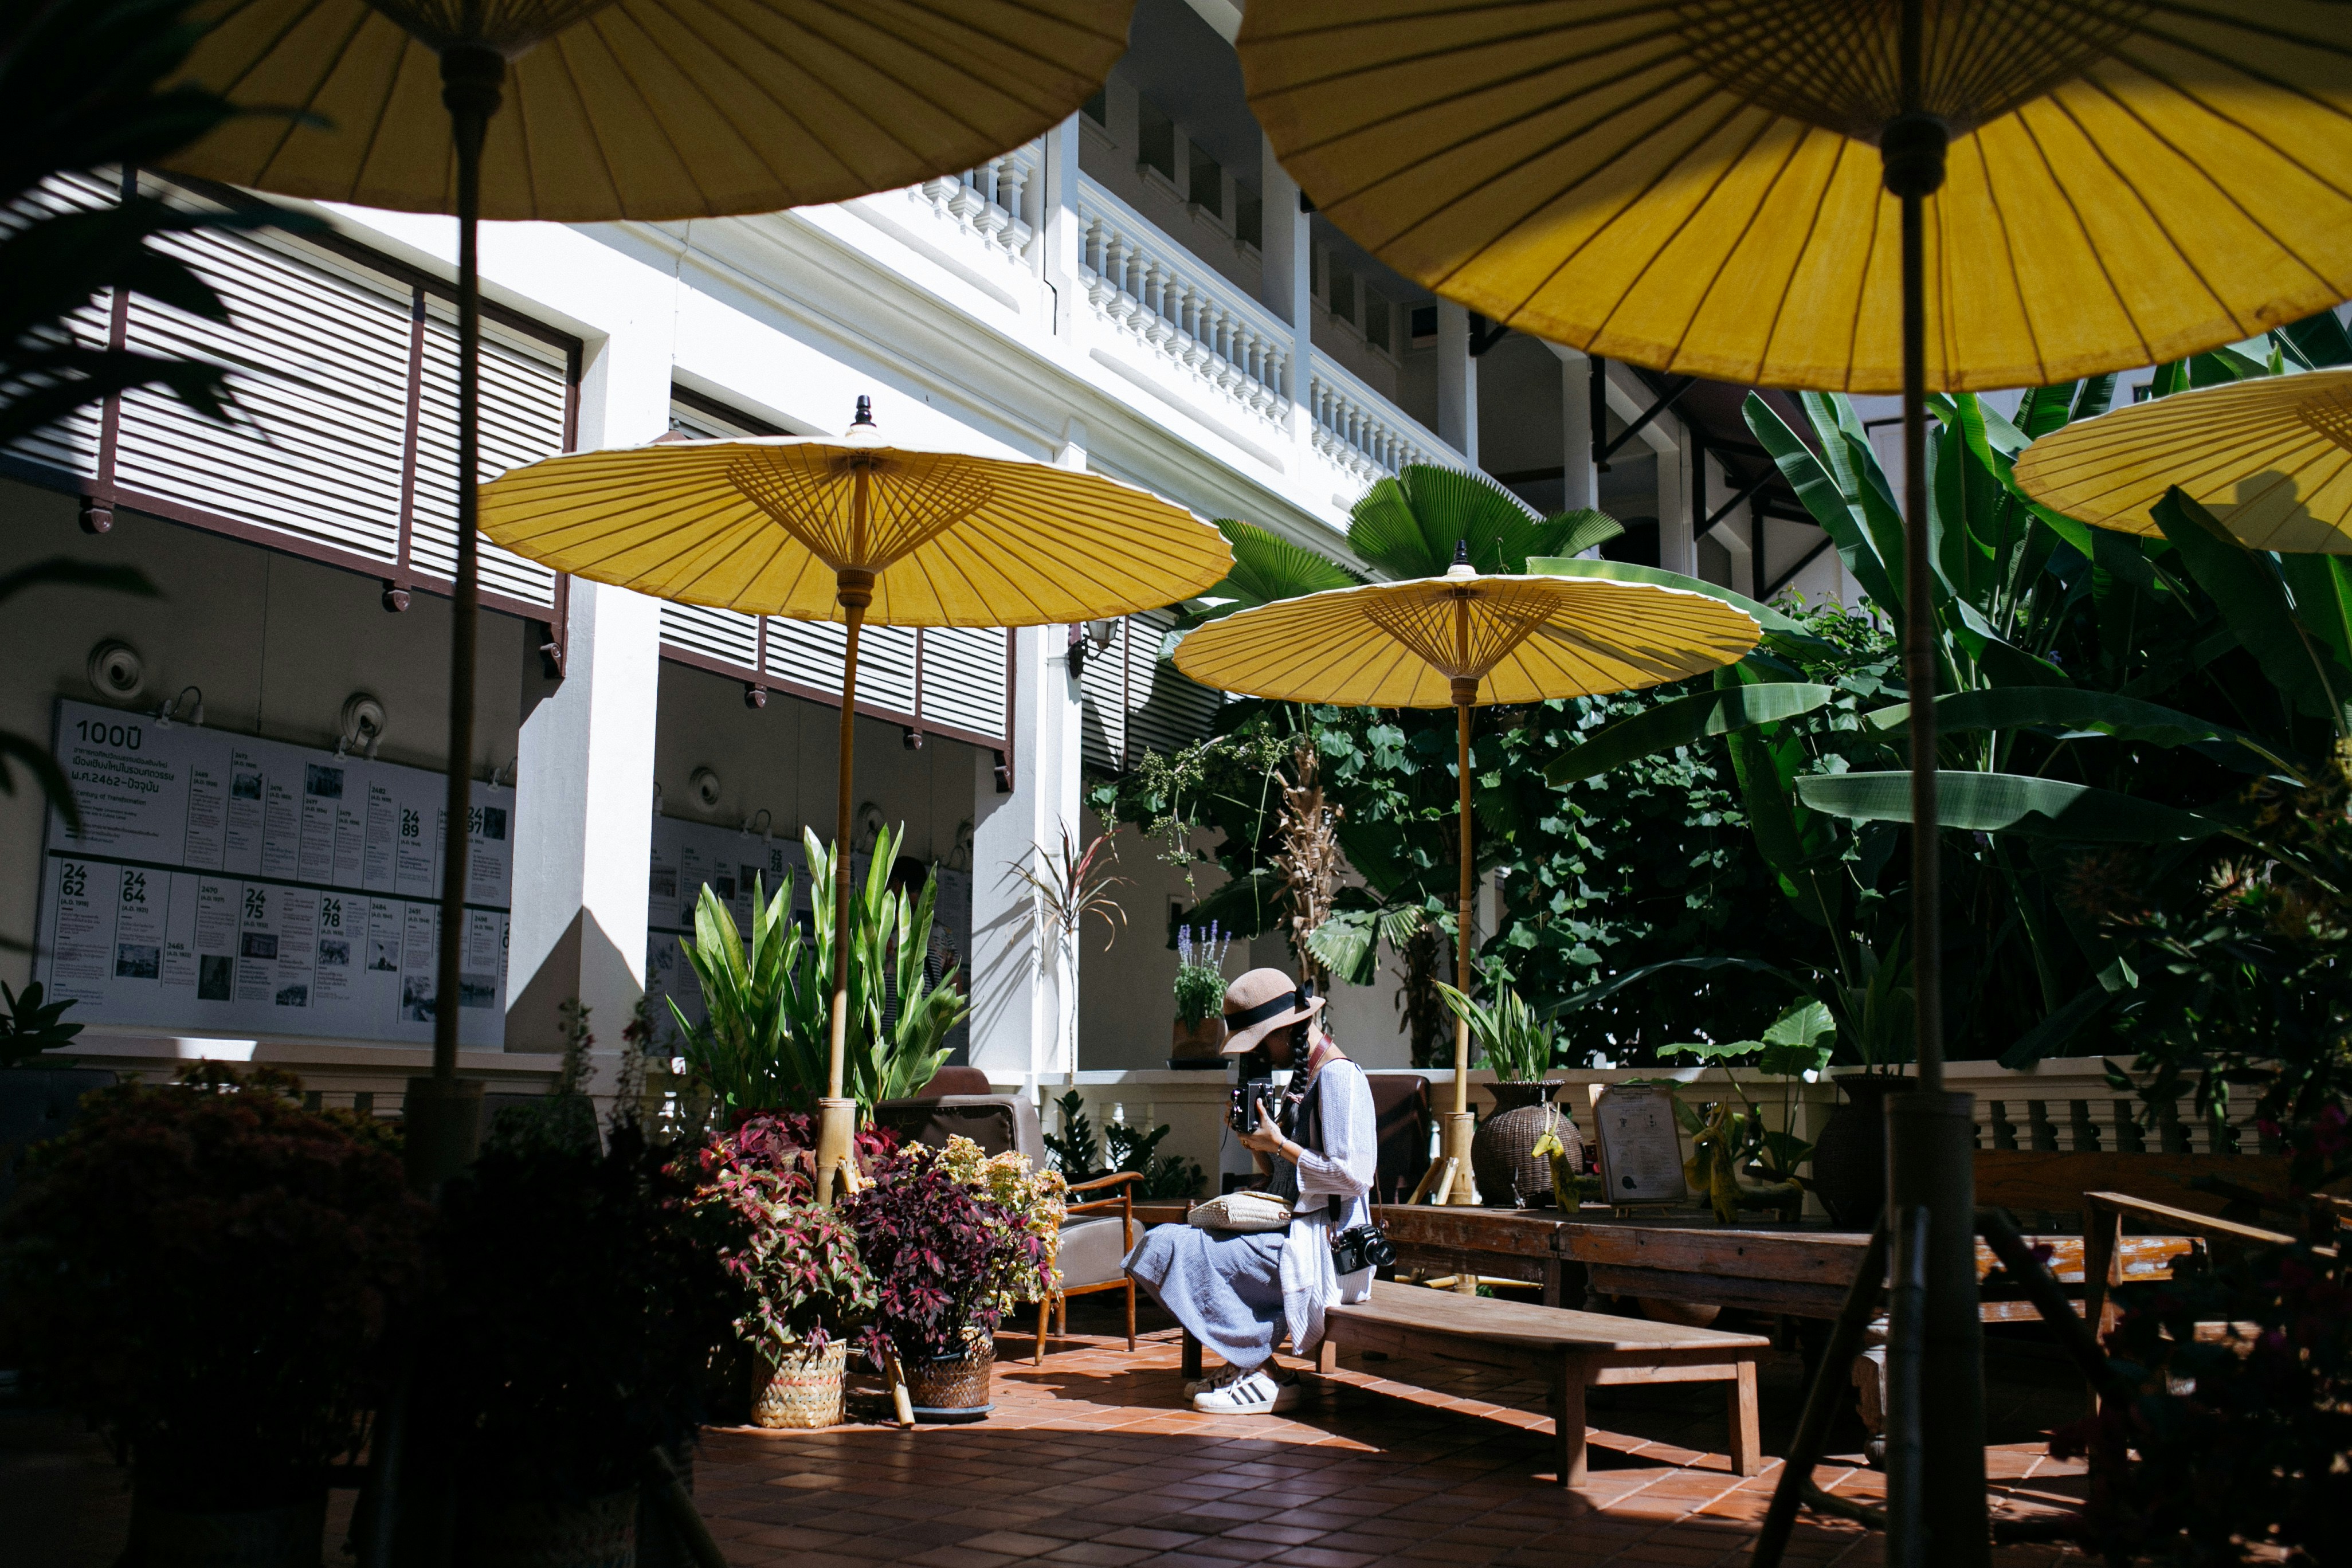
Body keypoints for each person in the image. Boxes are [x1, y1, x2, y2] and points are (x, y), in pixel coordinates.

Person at [1124, 967, 1377, 1415]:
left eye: (1258, 1040)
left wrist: (1280, 1143)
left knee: (1189, 1250)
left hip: (1331, 1251)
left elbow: (1353, 1177)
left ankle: (1263, 1372)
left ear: (1285, 1030)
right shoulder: (1304, 1076)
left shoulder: (1338, 1077)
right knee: (1163, 1243)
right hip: (1294, 1231)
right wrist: (1259, 1147)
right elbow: (1292, 1177)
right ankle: (1254, 1362)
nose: (1258, 1052)